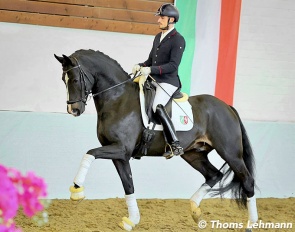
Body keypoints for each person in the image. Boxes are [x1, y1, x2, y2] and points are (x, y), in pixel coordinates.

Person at [132, 3, 185, 159]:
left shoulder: (178, 40)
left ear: (171, 19)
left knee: (157, 106)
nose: (158, 20)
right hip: (154, 79)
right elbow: (150, 60)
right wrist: (140, 65)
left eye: (162, 18)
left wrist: (151, 70)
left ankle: (174, 143)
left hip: (168, 81)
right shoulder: (158, 37)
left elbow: (173, 65)